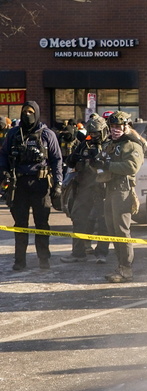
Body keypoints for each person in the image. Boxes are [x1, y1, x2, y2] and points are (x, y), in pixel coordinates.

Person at [0, 101, 63, 270]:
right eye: (24, 112)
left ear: (36, 113)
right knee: (20, 225)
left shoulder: (47, 134)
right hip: (18, 185)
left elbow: (57, 160)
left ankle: (44, 259)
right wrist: (4, 172)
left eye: (30, 112)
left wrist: (58, 184)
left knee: (42, 223)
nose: (27, 115)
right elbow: (3, 155)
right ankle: (19, 261)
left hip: (40, 184)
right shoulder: (13, 133)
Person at [91, 111, 144, 282]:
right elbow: (102, 160)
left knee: (122, 230)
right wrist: (96, 163)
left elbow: (131, 167)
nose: (115, 130)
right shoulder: (110, 144)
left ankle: (126, 268)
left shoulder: (132, 145)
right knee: (112, 230)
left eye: (118, 126)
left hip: (123, 190)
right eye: (112, 126)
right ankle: (120, 265)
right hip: (109, 189)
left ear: (126, 126)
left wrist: (108, 165)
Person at [60, 114, 112, 264]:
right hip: (84, 188)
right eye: (91, 133)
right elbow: (70, 161)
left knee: (104, 221)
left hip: (103, 188)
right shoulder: (85, 143)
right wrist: (79, 159)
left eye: (96, 133)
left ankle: (101, 253)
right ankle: (78, 252)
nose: (93, 136)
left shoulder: (111, 144)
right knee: (78, 218)